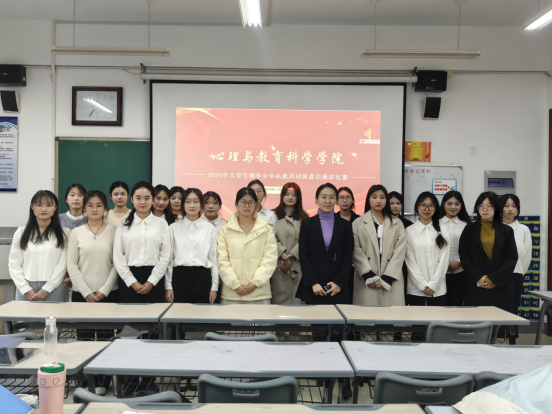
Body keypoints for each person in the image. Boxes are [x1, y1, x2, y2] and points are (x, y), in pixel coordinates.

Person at [459, 192, 518, 317]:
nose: (485, 209)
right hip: (476, 283)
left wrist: (494, 280)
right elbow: (464, 255)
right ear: (477, 208)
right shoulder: (469, 229)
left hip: (500, 285)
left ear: (496, 208)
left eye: (489, 206)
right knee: (476, 320)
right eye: (481, 206)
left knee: (499, 322)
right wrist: (478, 277)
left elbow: (511, 257)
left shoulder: (507, 230)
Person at [217, 187, 277, 304]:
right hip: (232, 294)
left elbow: (270, 259)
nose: (247, 206)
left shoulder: (266, 229)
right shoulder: (225, 230)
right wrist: (235, 284)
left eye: (251, 202)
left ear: (256, 204)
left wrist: (256, 282)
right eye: (243, 202)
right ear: (236, 204)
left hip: (258, 293)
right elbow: (222, 260)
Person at [296, 183, 354, 305]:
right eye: (323, 197)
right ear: (316, 200)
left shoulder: (345, 226)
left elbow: (348, 256)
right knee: (315, 317)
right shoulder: (307, 224)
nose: (328, 201)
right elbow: (304, 256)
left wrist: (339, 282)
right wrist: (313, 283)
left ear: (336, 200)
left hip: (338, 287)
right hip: (314, 287)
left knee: (338, 317)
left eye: (332, 197)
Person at [113, 181, 171, 304]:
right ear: (132, 199)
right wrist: (131, 281)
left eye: (147, 198)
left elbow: (165, 254)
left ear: (153, 200)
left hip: (155, 277)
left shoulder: (162, 224)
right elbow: (118, 256)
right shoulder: (123, 225)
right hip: (128, 278)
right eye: (138, 198)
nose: (142, 202)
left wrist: (152, 281)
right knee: (130, 315)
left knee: (154, 314)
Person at [9, 190, 69, 302]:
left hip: (54, 288)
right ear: (32, 206)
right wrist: (26, 289)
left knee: (54, 314)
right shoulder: (21, 232)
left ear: (55, 207)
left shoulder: (64, 234)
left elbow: (63, 265)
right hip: (25, 288)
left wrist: (46, 289)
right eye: (39, 205)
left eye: (49, 205)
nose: (43, 209)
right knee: (23, 314)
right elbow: (14, 263)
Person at [352, 184, 406, 306]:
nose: (378, 201)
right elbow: (355, 250)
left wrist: (389, 276)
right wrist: (367, 274)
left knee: (392, 315)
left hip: (392, 278)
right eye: (374, 197)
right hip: (367, 279)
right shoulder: (358, 223)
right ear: (368, 200)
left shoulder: (397, 223)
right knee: (367, 314)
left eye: (382, 197)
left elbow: (400, 251)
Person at [166, 188, 218, 304]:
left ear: (201, 204)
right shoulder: (173, 228)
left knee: (201, 313)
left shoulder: (209, 228)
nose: (192, 205)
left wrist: (214, 287)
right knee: (179, 313)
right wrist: (168, 286)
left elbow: (213, 259)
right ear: (183, 204)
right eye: (188, 201)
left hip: (202, 277)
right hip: (179, 277)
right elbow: (169, 259)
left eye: (196, 201)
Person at [67, 190, 119, 304]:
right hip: (81, 293)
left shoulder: (114, 231)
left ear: (105, 208)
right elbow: (71, 264)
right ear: (84, 207)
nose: (94, 209)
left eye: (99, 206)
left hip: (109, 292)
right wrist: (86, 292)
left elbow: (117, 264)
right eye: (90, 206)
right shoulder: (76, 232)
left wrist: (105, 290)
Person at [405, 192, 450, 306]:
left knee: (438, 317)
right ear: (417, 207)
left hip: (438, 289)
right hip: (415, 289)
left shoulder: (444, 230)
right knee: (416, 317)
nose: (427, 209)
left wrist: (434, 285)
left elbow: (444, 261)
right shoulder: (408, 231)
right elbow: (410, 262)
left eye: (431, 205)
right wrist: (422, 285)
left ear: (436, 208)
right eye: (423, 205)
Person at [271, 182, 309, 305]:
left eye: (294, 195)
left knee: (298, 304)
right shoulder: (273, 215)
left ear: (298, 197)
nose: (290, 197)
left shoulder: (305, 216)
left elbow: (306, 239)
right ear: (282, 196)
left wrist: (291, 255)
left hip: (298, 263)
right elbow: (270, 238)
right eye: (287, 194)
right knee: (279, 305)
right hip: (279, 264)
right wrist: (284, 256)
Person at [501, 194, 532, 319]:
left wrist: (520, 272)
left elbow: (527, 256)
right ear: (501, 207)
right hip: (496, 276)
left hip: (515, 276)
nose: (510, 209)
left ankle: (511, 332)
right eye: (506, 205)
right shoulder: (495, 228)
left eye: (514, 206)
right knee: (495, 310)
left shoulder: (524, 230)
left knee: (511, 310)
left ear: (518, 209)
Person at [439, 191, 471, 306]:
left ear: (461, 205)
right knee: (441, 305)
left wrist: (459, 262)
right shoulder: (436, 224)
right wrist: (444, 263)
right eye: (449, 203)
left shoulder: (467, 225)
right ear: (443, 204)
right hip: (439, 273)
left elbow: (471, 249)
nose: (453, 207)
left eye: (457, 204)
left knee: (457, 304)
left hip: (461, 272)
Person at [388, 191, 413, 301]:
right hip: (386, 265)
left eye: (398, 203)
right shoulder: (382, 223)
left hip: (404, 265)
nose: (395, 206)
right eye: (391, 203)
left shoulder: (409, 225)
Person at [337, 186, 360, 303]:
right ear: (337, 201)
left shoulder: (360, 220)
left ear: (353, 200)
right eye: (341, 197)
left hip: (356, 266)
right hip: (337, 267)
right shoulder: (333, 219)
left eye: (348, 197)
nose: (345, 200)